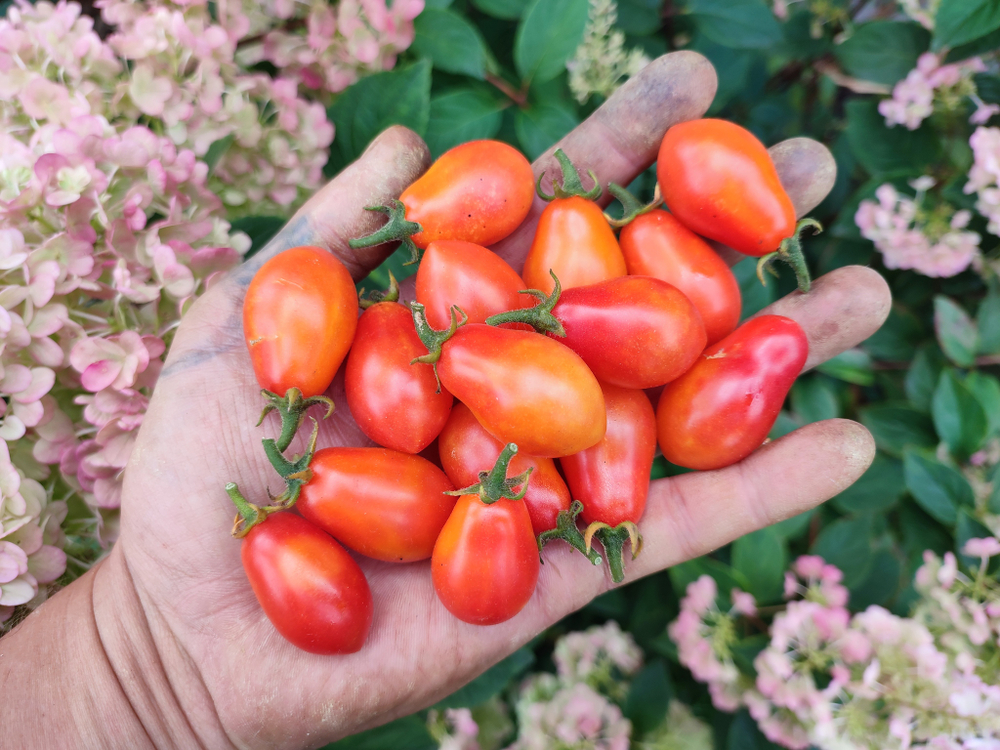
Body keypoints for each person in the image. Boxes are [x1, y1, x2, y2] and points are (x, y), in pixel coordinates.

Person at [0, 51, 890, 749]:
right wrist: (148, 679)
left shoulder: (494, 385)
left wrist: (146, 686)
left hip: (530, 397)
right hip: (509, 404)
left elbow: (611, 372)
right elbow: (556, 392)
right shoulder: (447, 408)